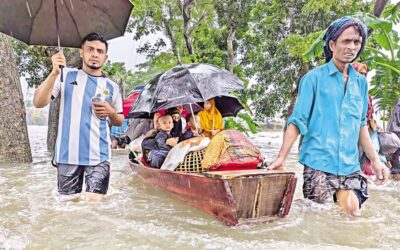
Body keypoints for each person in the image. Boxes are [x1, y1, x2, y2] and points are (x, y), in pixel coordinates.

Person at [268, 17, 388, 216]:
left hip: (349, 163)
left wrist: (375, 161)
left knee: (351, 212)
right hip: (318, 161)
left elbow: (361, 126)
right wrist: (282, 157)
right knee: (317, 216)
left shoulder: (360, 83)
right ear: (332, 45)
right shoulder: (312, 79)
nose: (352, 47)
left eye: (356, 42)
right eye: (346, 41)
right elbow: (297, 120)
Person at [33, 33, 124, 201]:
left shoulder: (112, 87)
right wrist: (53, 72)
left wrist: (110, 112)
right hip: (67, 155)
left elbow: (119, 119)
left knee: (94, 206)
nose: (95, 54)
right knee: (68, 207)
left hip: (99, 156)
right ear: (81, 52)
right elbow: (38, 102)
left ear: (105, 57)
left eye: (99, 51)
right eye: (90, 49)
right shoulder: (65, 75)